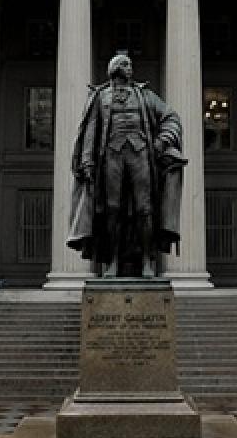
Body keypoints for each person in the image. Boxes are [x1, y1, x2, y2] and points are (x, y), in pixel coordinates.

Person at [67, 53, 185, 278]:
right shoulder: (100, 97)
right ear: (115, 69)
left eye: (130, 64)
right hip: (111, 155)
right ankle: (111, 261)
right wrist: (87, 160)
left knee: (145, 209)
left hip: (141, 154)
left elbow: (171, 117)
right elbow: (90, 130)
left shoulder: (144, 95)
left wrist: (161, 142)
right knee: (112, 210)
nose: (130, 68)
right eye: (125, 64)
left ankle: (147, 260)